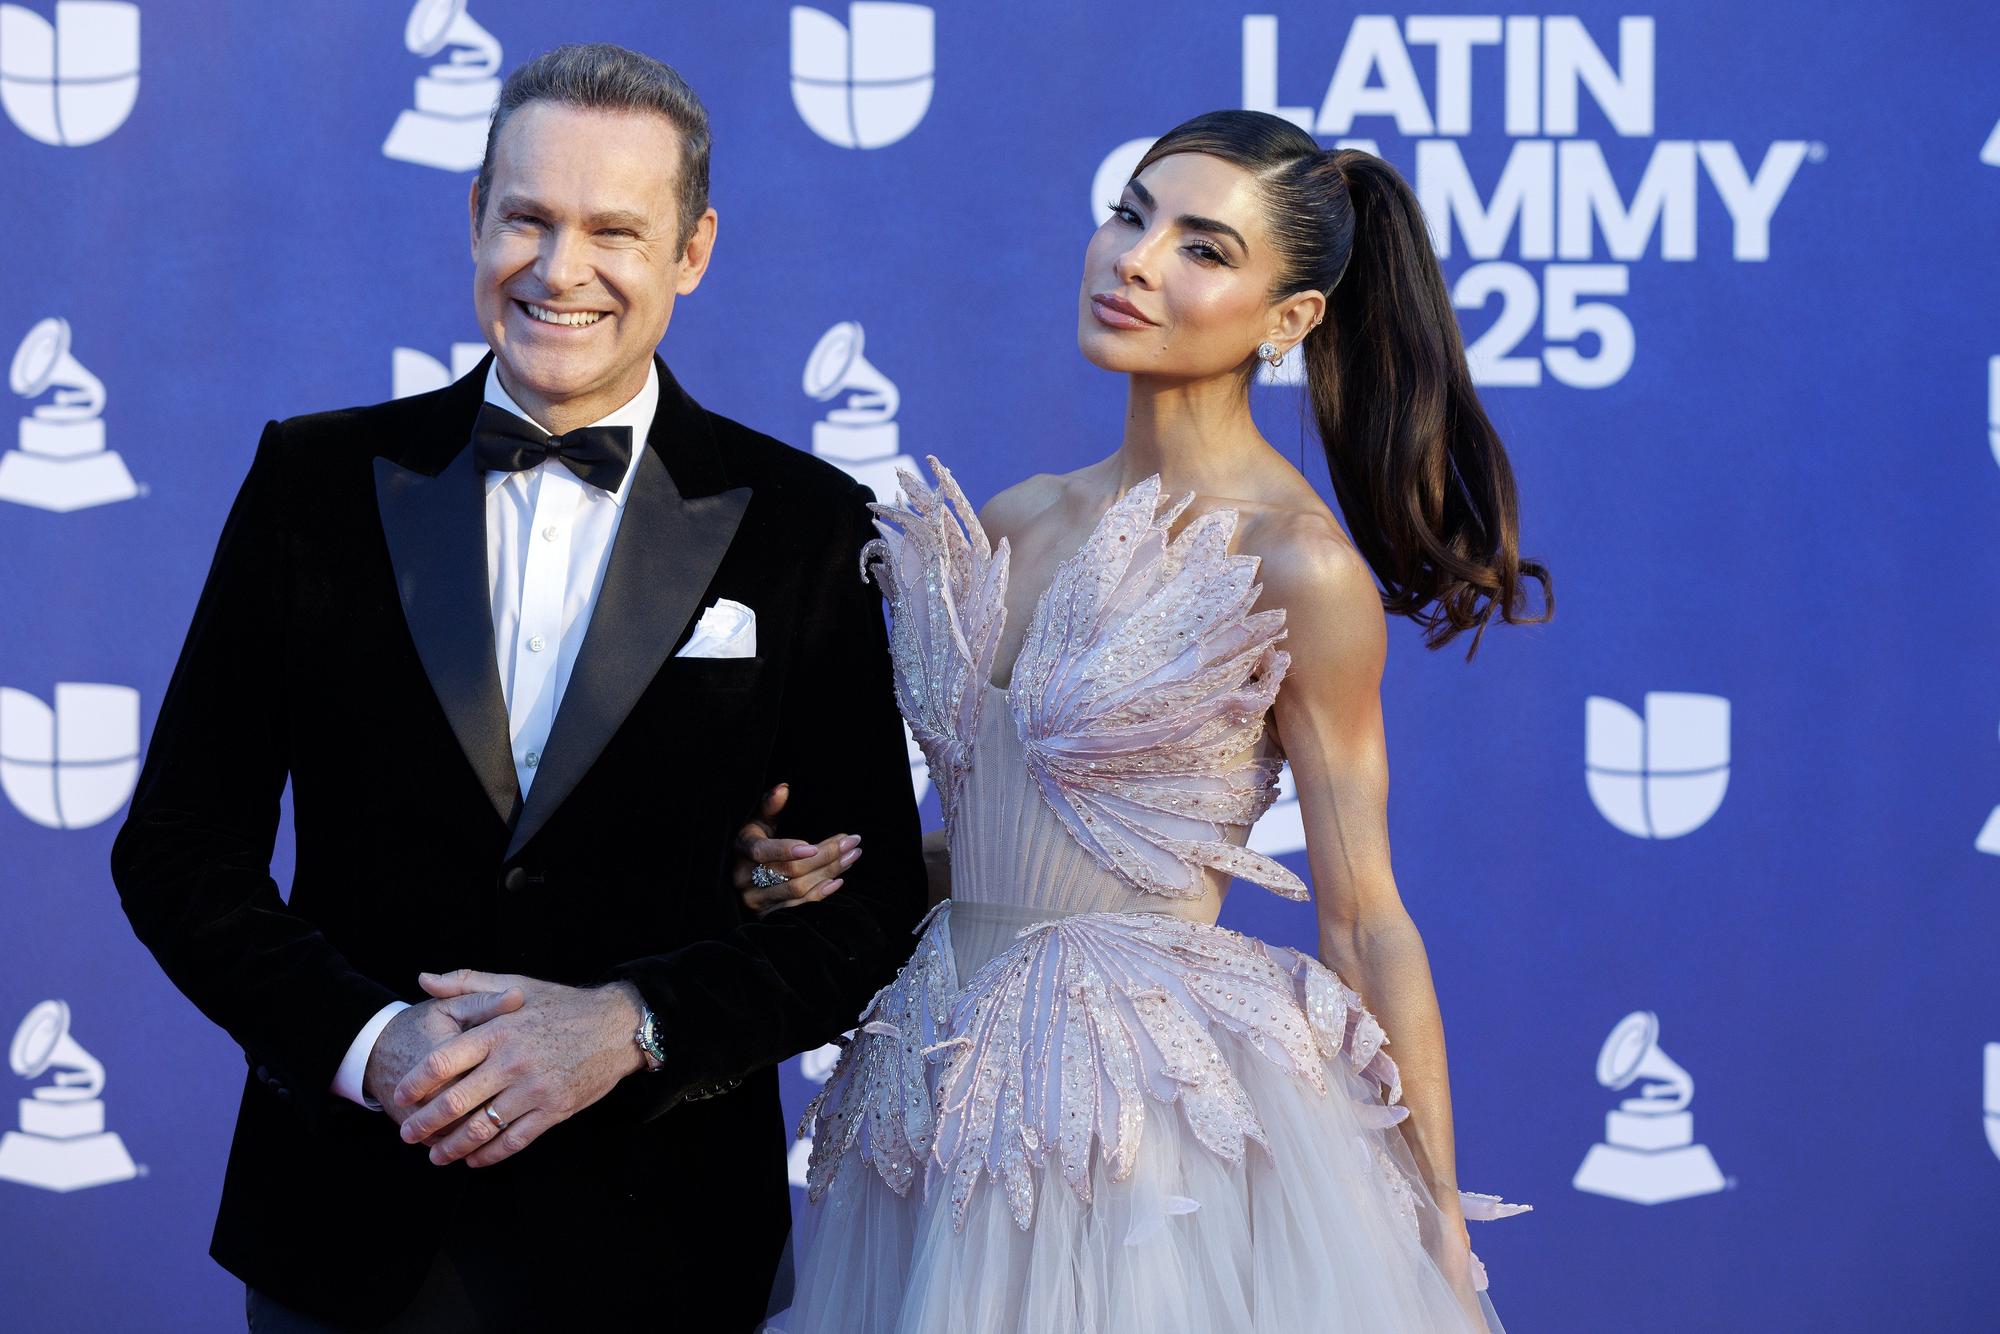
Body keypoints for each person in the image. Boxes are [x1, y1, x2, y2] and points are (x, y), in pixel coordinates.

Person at [108, 43, 924, 1333]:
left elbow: (867, 904)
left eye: (614, 229)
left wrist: (635, 1023)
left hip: (664, 1241)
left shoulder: (806, 525)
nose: (559, 270)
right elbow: (177, 848)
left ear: (692, 251)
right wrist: (373, 1044)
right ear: (473, 216)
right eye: (528, 219)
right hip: (350, 1229)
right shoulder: (312, 483)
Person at [739, 110, 1548, 1333]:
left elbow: (1361, 914)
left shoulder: (1294, 564)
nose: (1133, 257)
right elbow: (994, 844)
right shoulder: (1013, 518)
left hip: (1130, 1121)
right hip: (931, 1086)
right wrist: (828, 873)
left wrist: (1432, 1206)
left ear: (1290, 319)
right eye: (1130, 212)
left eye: (1203, 248)